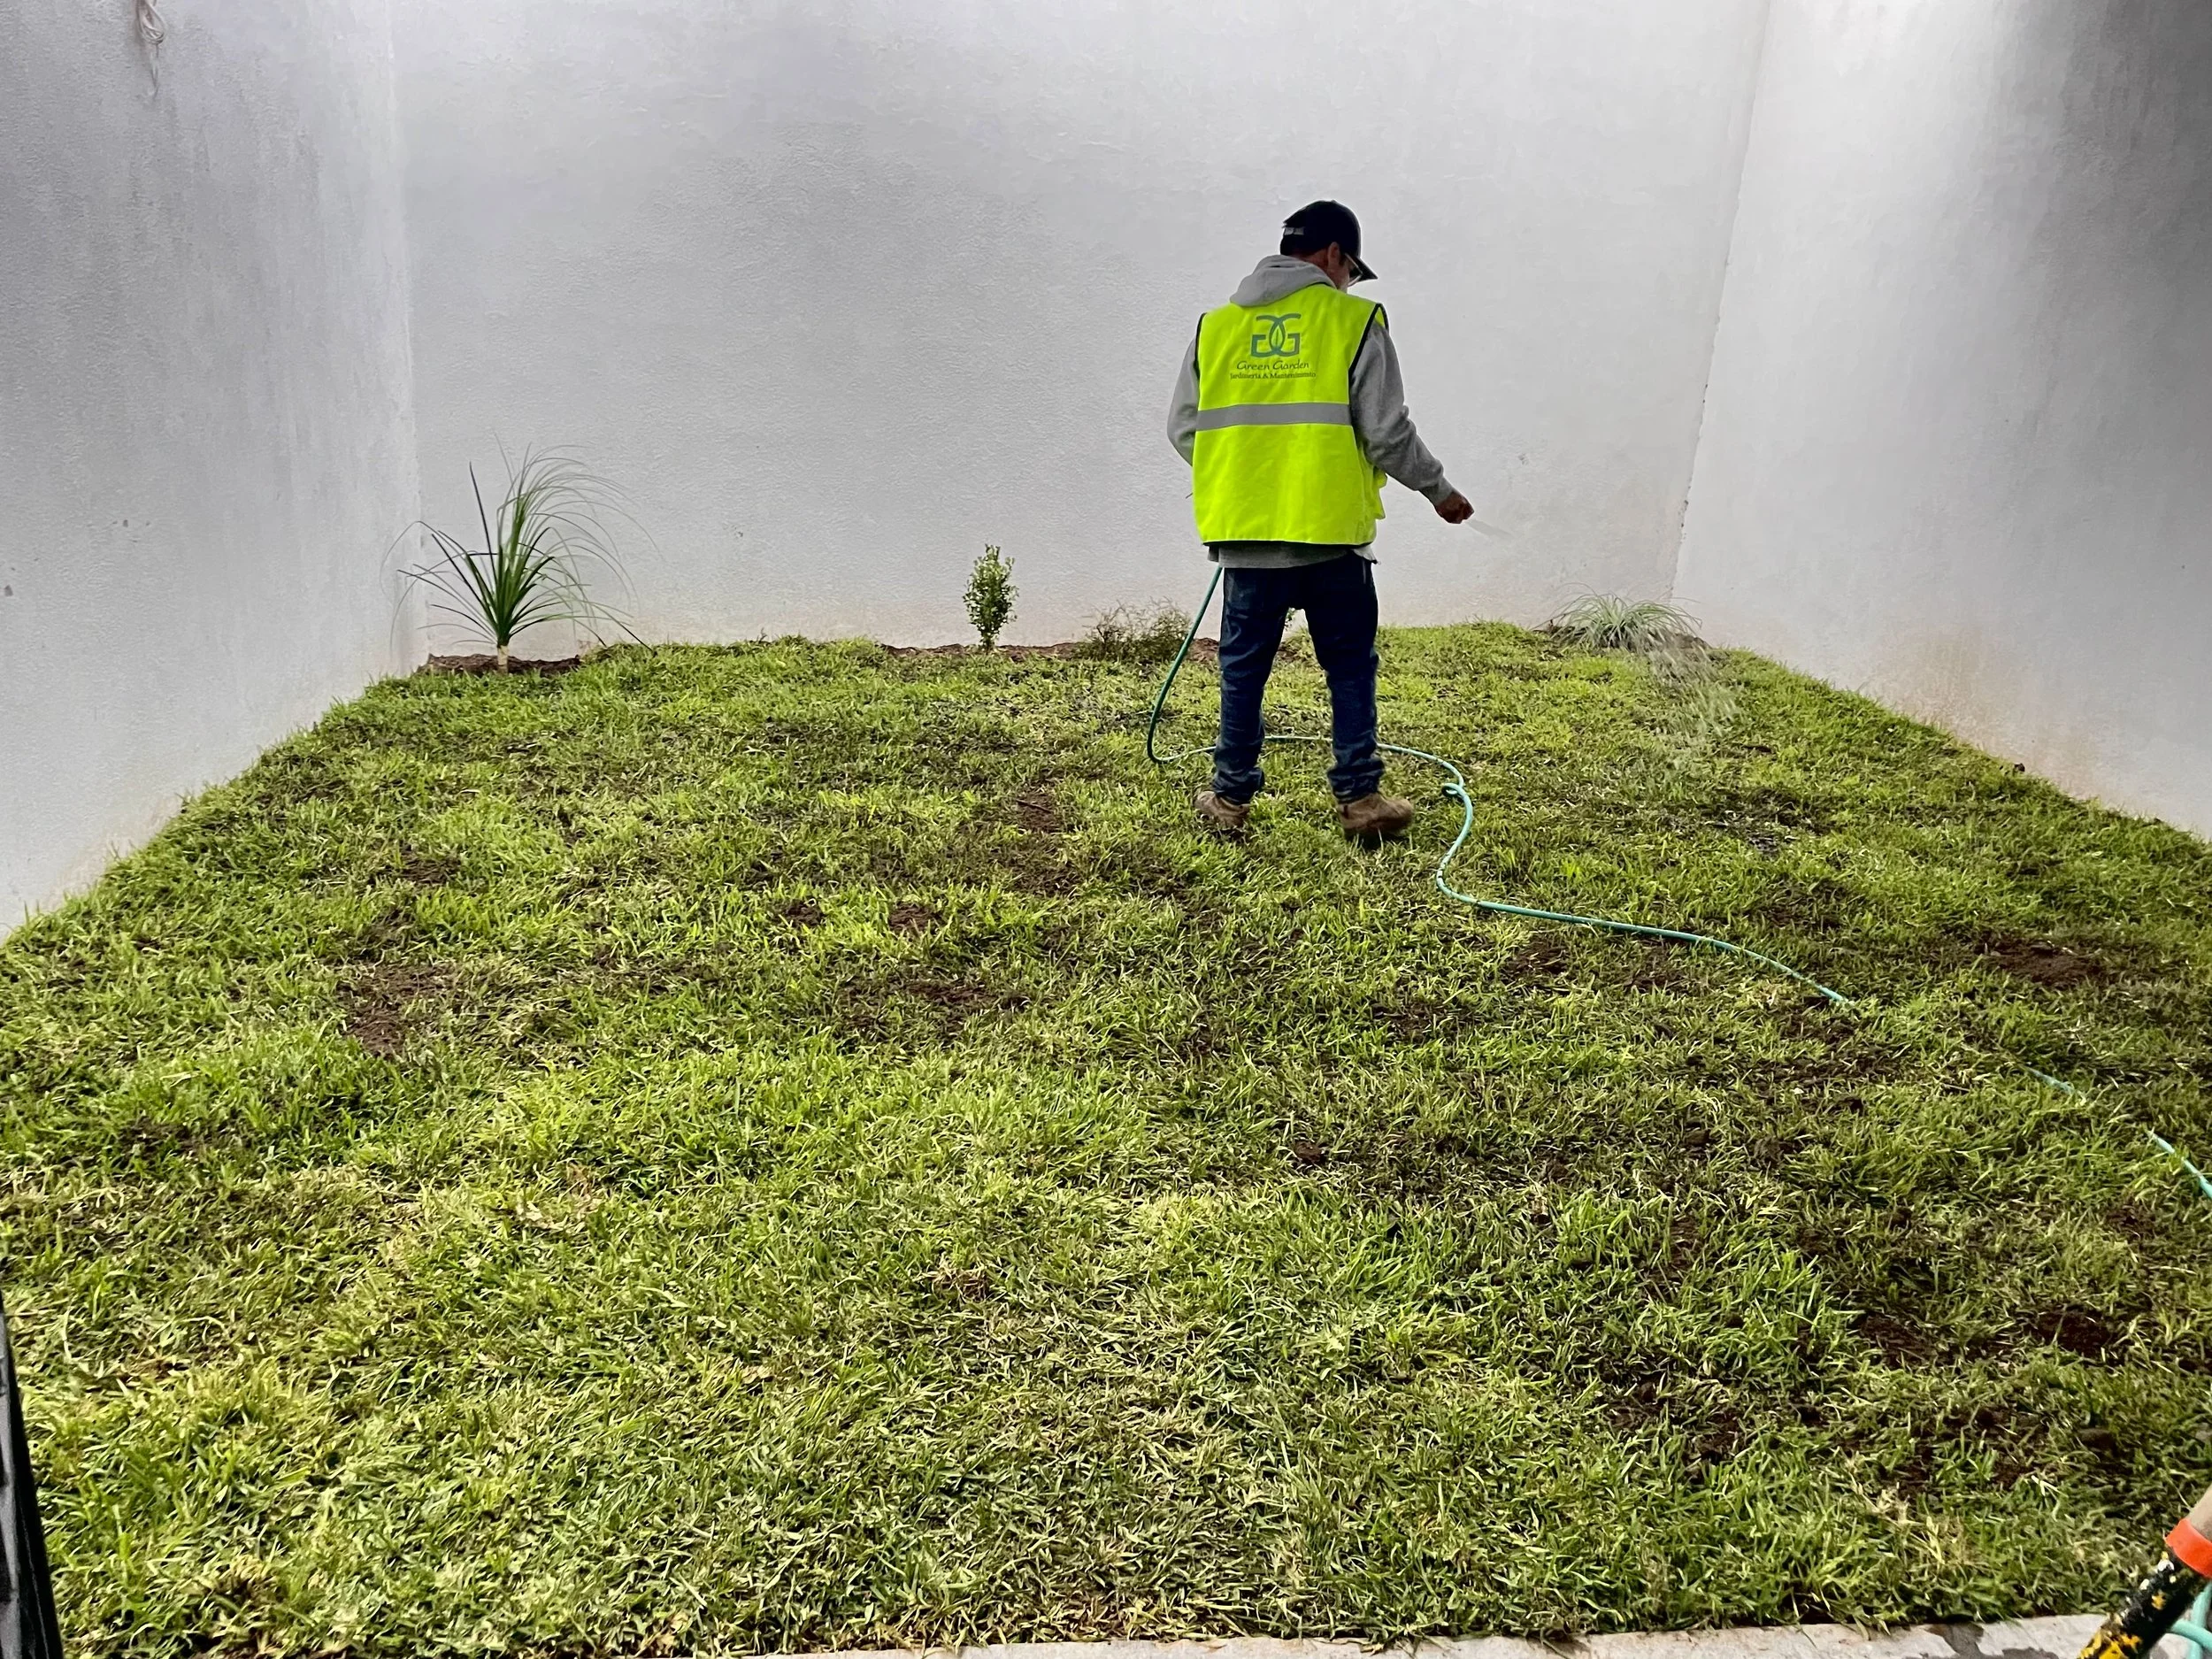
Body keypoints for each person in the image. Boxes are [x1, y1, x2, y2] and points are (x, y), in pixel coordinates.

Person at [1168, 199, 1474, 839]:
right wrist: (1439, 491)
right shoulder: (1353, 322)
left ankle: (1227, 802)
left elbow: (1183, 430)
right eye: (1353, 270)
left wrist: (1249, 469)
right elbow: (1387, 433)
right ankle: (1362, 802)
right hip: (1331, 537)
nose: (1350, 282)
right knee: (1350, 666)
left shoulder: (1216, 328)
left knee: (1243, 668)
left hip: (1247, 534)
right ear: (1334, 255)